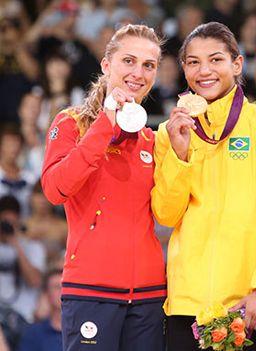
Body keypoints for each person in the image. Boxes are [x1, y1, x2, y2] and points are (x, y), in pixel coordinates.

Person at [151, 21, 256, 351]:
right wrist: (179, 154)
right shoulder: (169, 132)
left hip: (247, 298)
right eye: (193, 62)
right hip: (186, 302)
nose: (204, 71)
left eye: (216, 59)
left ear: (237, 63)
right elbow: (166, 214)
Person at [41, 24, 166, 351]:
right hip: (90, 290)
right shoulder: (71, 123)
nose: (138, 72)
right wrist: (104, 124)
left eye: (148, 65)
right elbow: (55, 189)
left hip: (149, 294)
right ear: (106, 64)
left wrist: (181, 154)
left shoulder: (152, 140)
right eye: (129, 60)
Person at [0, 195, 45, 323]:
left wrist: (16, 244)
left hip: (23, 317)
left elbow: (35, 281)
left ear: (20, 222)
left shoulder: (33, 247)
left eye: (12, 224)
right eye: (4, 223)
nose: (8, 228)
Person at [17, 269, 63, 351]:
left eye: (66, 286)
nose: (63, 291)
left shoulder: (83, 329)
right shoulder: (34, 333)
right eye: (57, 287)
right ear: (46, 294)